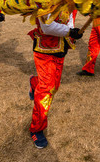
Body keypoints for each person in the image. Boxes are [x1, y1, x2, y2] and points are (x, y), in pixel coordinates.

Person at [27, 10, 83, 149]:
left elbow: (69, 17)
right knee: (47, 89)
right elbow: (47, 26)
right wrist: (69, 32)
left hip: (60, 48)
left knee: (54, 86)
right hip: (44, 49)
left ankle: (35, 82)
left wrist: (72, 30)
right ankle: (36, 128)